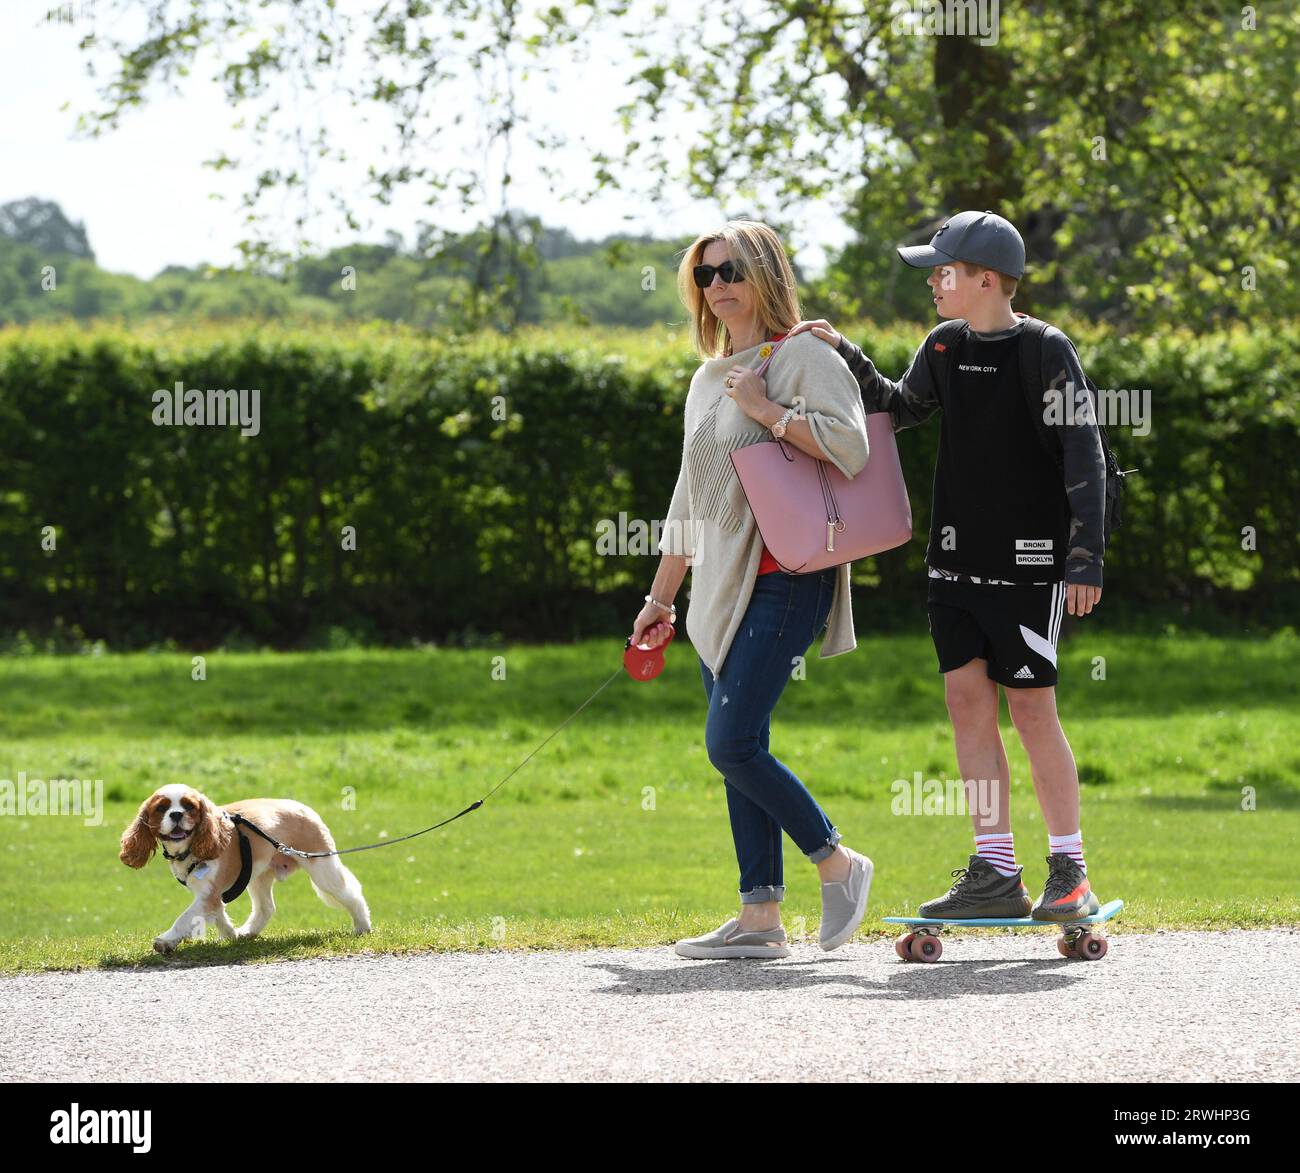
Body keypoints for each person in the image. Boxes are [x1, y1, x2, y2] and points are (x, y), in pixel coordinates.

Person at [788, 210, 1107, 922]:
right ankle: (995, 867)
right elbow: (900, 408)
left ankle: (1069, 867)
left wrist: (1085, 557)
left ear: (987, 279)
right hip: (953, 569)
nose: (933, 281)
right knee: (968, 707)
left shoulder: (1045, 351)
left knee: (1031, 708)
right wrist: (843, 351)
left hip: (1029, 571)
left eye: (944, 271)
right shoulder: (941, 345)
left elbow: (1086, 454)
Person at [630, 219, 873, 959]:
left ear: (765, 273)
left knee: (731, 743)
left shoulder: (803, 354)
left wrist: (769, 410)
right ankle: (760, 917)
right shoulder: (707, 379)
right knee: (744, 744)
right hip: (717, 588)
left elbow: (853, 447)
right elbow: (688, 498)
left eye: (732, 269)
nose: (719, 285)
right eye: (706, 275)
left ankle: (838, 862)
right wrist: (661, 597)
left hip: (787, 578)